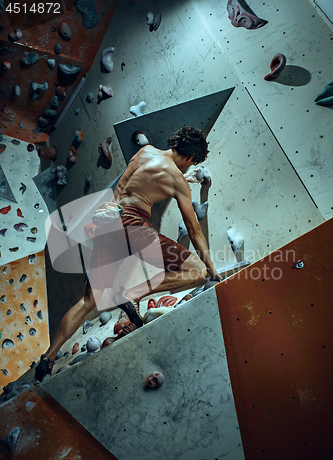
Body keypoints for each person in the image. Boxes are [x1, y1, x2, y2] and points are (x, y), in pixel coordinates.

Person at [35, 126, 222, 381]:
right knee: (197, 271)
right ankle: (133, 292)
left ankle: (48, 357)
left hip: (107, 221)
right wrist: (210, 265)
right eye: (191, 165)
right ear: (190, 158)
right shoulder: (177, 179)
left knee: (88, 300)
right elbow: (193, 228)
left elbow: (131, 185)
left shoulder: (145, 152)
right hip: (134, 226)